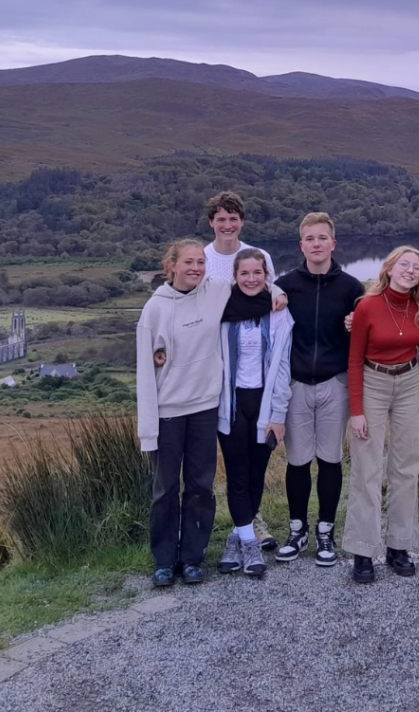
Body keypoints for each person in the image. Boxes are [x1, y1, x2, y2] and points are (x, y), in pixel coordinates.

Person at [136, 238, 230, 587]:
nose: (196, 268)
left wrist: (277, 294)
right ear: (171, 266)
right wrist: (148, 431)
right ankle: (164, 560)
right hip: (168, 413)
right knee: (165, 489)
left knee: (200, 486)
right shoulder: (154, 309)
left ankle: (192, 558)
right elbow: (146, 374)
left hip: (205, 407)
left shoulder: (217, 292)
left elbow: (256, 284)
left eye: (201, 262)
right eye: (188, 262)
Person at [274, 213, 365, 568]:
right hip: (296, 385)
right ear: (301, 245)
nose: (316, 244)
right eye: (309, 238)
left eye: (322, 237)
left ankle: (326, 531)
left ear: (333, 243)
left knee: (329, 459)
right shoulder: (284, 286)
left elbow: (367, 325)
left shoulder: (352, 288)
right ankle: (297, 530)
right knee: (297, 460)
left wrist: (356, 321)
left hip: (334, 384)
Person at [201, 190, 285, 551]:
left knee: (255, 464)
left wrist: (279, 295)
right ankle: (244, 527)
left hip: (259, 381)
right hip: (224, 378)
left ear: (242, 222)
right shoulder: (204, 258)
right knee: (235, 464)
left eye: (233, 218)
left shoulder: (258, 255)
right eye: (221, 219)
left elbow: (270, 294)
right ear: (211, 223)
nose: (227, 225)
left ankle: (250, 524)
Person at [343, 246, 419, 584]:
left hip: (409, 380)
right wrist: (357, 411)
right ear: (389, 269)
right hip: (373, 381)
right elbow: (353, 361)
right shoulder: (367, 306)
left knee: (406, 465)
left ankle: (399, 545)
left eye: (416, 267)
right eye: (404, 265)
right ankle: (363, 550)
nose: (410, 271)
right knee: (367, 468)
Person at [214, 249, 294, 578]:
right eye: (244, 273)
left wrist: (279, 414)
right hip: (231, 405)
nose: (250, 279)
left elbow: (284, 367)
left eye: (257, 273)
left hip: (264, 404)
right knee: (237, 474)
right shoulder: (221, 309)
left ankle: (237, 537)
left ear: (267, 276)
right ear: (234, 276)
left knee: (256, 474)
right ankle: (250, 543)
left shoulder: (279, 314)